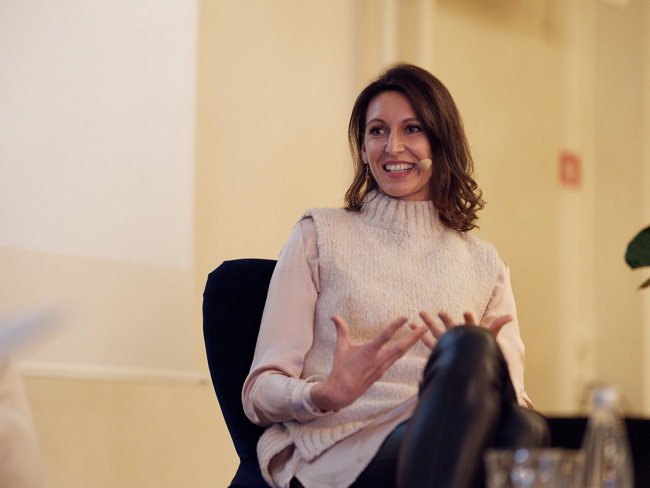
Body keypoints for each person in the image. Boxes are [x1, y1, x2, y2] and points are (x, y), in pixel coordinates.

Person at [242, 63, 549, 488]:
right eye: (378, 131)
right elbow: (258, 393)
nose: (393, 146)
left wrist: (475, 374)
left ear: (441, 143)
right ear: (364, 149)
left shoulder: (485, 264)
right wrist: (324, 394)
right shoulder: (318, 236)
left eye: (412, 129)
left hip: (446, 438)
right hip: (339, 446)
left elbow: (517, 402)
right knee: (475, 356)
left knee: (520, 420)